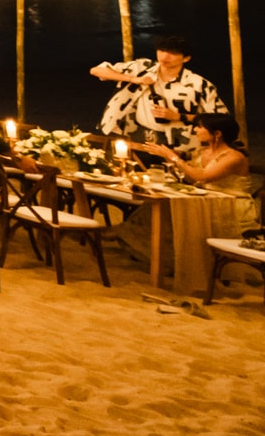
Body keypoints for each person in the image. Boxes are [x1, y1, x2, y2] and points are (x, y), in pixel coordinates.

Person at [121, 113, 259, 266]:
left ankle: (176, 262)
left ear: (217, 133)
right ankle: (163, 259)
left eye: (200, 127)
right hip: (204, 200)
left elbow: (201, 176)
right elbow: (189, 177)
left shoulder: (234, 157)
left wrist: (172, 157)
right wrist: (164, 156)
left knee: (169, 211)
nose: (195, 130)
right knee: (155, 208)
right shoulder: (202, 152)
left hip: (230, 206)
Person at [93, 35, 227, 155]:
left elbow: (222, 120)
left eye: (172, 53)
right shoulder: (143, 68)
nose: (165, 56)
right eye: (162, 51)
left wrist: (178, 116)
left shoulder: (199, 84)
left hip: (180, 143)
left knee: (172, 180)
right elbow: (96, 70)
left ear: (186, 58)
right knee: (137, 175)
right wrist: (134, 79)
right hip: (140, 135)